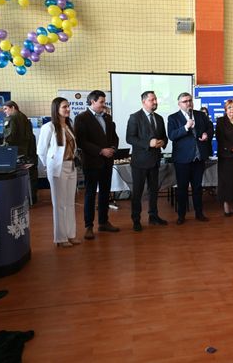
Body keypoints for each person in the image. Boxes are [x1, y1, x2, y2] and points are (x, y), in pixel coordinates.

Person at [74, 90, 119, 239]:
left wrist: (112, 148)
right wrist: (100, 151)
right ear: (92, 102)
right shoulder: (81, 118)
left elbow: (114, 137)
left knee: (105, 193)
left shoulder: (107, 117)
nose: (104, 105)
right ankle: (89, 226)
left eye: (104, 102)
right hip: (92, 162)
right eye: (101, 102)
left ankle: (103, 222)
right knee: (90, 194)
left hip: (107, 162)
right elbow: (81, 141)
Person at [37, 98, 80, 248]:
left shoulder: (69, 125)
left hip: (71, 166)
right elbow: (41, 151)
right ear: (56, 109)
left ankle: (71, 234)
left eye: (68, 106)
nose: (68, 109)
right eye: (64, 107)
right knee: (59, 204)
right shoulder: (48, 127)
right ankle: (61, 238)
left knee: (70, 203)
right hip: (57, 168)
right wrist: (49, 165)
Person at [167, 92, 213, 225]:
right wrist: (186, 127)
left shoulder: (200, 115)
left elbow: (210, 128)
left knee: (197, 187)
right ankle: (181, 215)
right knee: (182, 188)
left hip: (198, 158)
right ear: (179, 104)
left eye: (190, 100)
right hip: (182, 159)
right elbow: (172, 135)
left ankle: (199, 213)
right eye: (185, 101)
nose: (188, 103)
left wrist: (206, 134)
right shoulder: (173, 118)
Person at [126, 91, 168, 231]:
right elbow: (130, 138)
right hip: (139, 162)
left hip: (155, 161)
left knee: (154, 191)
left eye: (155, 99)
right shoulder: (135, 117)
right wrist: (148, 143)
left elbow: (164, 137)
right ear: (144, 101)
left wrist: (163, 142)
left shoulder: (159, 118)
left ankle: (153, 216)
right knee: (138, 192)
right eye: (152, 100)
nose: (155, 102)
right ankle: (136, 220)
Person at [3, 101, 38, 203]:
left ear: (13, 107)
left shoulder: (11, 118)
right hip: (29, 152)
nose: (4, 111)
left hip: (17, 154)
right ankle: (32, 198)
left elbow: (9, 137)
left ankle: (18, 200)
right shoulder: (25, 119)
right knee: (30, 176)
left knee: (16, 177)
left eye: (6, 108)